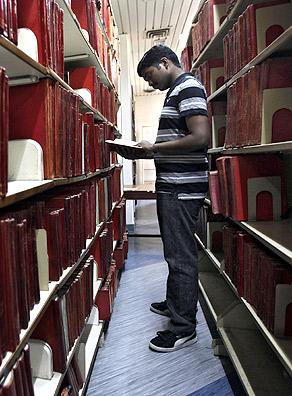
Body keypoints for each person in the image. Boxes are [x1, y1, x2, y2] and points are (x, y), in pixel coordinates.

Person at [114, 45, 210, 353]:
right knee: (174, 252)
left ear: (165, 62)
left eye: (150, 75)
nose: (150, 82)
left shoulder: (189, 86)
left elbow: (200, 138)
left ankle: (184, 329)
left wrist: (152, 149)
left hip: (182, 188)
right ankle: (174, 304)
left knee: (180, 256)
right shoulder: (178, 91)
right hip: (174, 185)